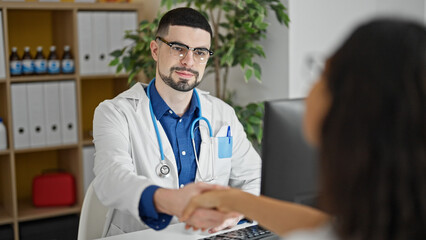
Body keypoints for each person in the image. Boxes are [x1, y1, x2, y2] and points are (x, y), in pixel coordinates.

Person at [181, 18, 426, 240]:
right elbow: (329, 227)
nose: (312, 85)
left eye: (323, 72)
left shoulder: (221, 112)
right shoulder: (389, 220)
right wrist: (235, 200)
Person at [91, 7, 261, 236]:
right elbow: (110, 179)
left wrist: (237, 211)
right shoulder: (115, 113)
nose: (188, 61)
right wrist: (170, 200)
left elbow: (256, 177)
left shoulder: (223, 114)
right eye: (178, 48)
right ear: (155, 50)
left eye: (200, 52)